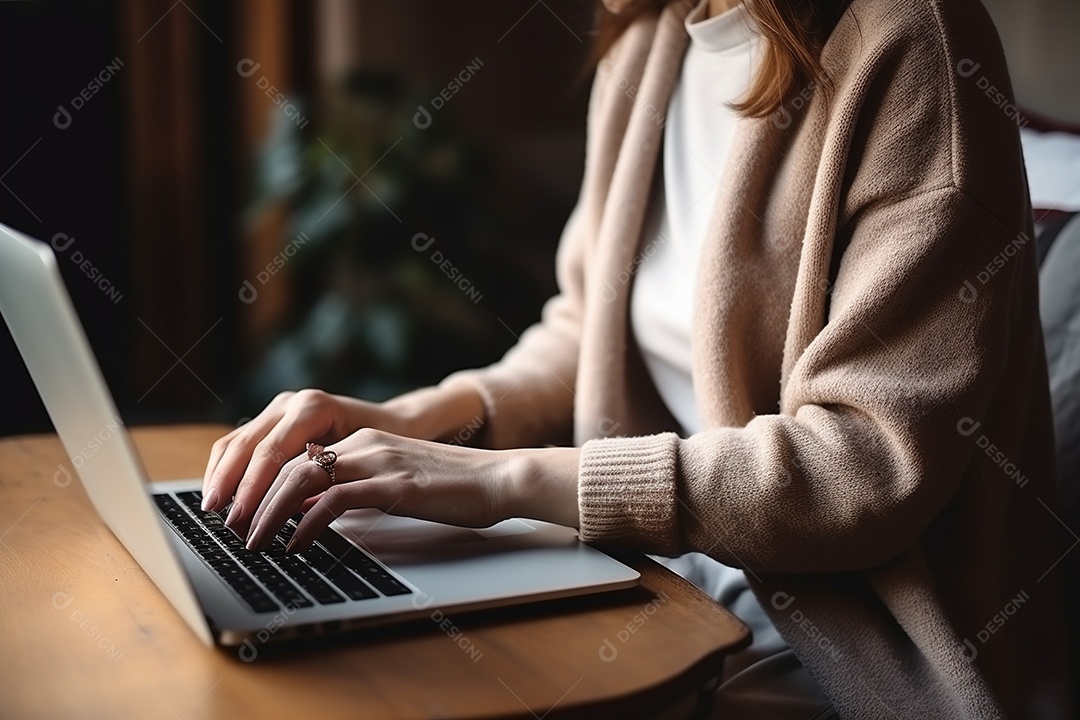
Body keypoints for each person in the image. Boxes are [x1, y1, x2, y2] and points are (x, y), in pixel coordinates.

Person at [202, 0, 1073, 716]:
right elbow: (590, 331)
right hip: (648, 576)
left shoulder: (913, 43)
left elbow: (863, 469)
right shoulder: (649, 38)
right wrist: (416, 419)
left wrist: (505, 481)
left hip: (844, 644)